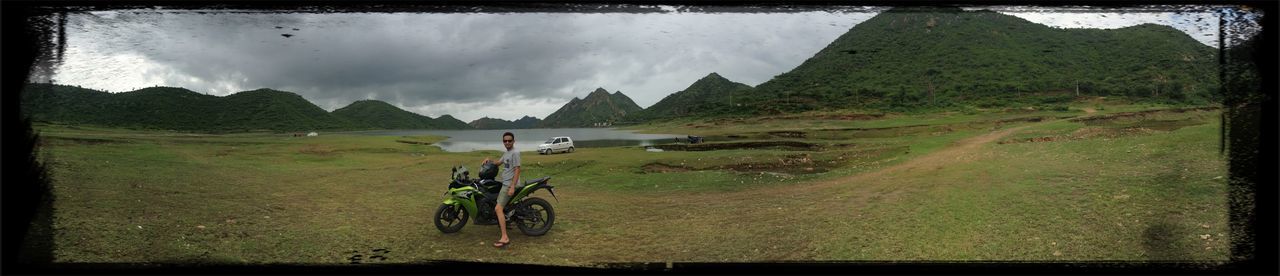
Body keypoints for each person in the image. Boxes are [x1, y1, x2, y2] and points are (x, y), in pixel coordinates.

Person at [482, 132, 520, 248]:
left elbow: (518, 170)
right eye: (505, 141)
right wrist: (489, 160)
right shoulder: (507, 153)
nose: (507, 142)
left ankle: (505, 237)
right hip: (505, 182)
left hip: (509, 184)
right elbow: (498, 163)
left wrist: (512, 186)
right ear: (503, 142)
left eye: (509, 140)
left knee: (498, 208)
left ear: (514, 141)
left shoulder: (515, 153)